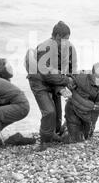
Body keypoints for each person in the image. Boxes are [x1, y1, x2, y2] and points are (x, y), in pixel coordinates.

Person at [25, 21, 77, 150]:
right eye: (65, 38)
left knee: (57, 114)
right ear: (57, 36)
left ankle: (55, 134)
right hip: (39, 81)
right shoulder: (45, 48)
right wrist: (66, 81)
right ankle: (44, 141)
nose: (67, 41)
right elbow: (47, 74)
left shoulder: (68, 48)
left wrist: (70, 80)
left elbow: (71, 68)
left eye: (68, 39)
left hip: (56, 81)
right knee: (49, 111)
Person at [63, 62, 99, 143]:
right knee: (74, 139)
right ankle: (65, 129)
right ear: (92, 75)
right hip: (74, 110)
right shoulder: (81, 78)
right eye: (98, 77)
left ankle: (71, 128)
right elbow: (68, 78)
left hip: (90, 113)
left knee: (87, 136)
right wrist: (67, 88)